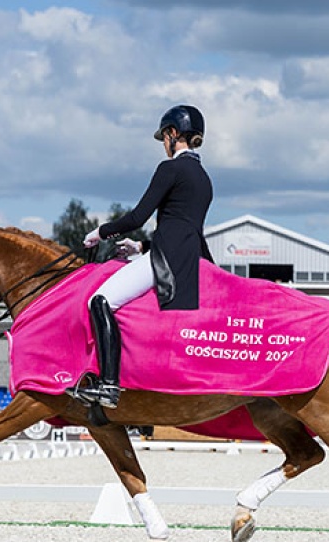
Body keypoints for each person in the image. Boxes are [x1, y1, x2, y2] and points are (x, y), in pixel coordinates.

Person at [76, 105, 215, 409]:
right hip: (191, 259)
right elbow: (183, 228)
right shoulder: (203, 177)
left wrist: (100, 232)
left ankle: (109, 385)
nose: (164, 144)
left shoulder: (170, 169)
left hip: (167, 260)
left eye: (164, 137)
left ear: (173, 134)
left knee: (99, 300)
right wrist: (141, 247)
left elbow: (138, 217)